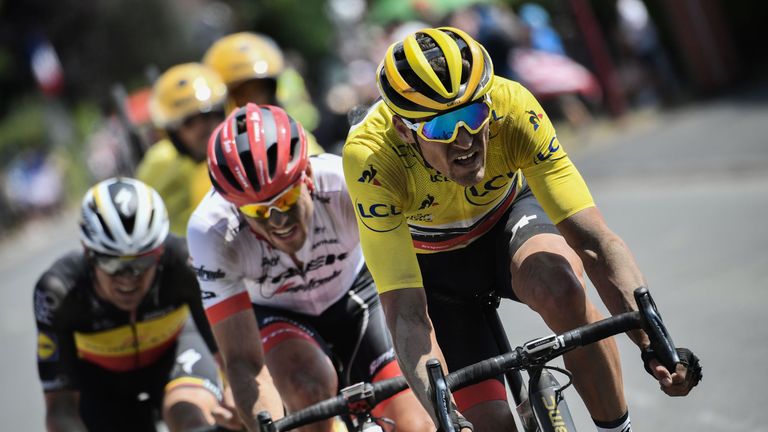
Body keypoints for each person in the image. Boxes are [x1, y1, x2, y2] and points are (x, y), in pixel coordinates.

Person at [342, 27, 702, 432]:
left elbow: (595, 244)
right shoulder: (370, 160)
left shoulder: (512, 107)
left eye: (473, 115)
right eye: (441, 129)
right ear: (406, 132)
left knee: (562, 288)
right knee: (489, 424)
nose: (464, 140)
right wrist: (446, 417)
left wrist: (654, 343)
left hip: (507, 222)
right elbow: (405, 311)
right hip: (436, 271)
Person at [186, 103, 433, 432]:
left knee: (416, 426)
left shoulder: (346, 183)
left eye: (285, 200)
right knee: (306, 388)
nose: (277, 222)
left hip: (357, 295)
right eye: (259, 212)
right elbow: (244, 362)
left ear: (308, 177)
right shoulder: (212, 231)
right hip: (279, 315)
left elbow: (412, 297)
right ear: (235, 208)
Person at [34, 178, 235, 432]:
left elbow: (232, 357)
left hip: (173, 354)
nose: (128, 278)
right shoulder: (57, 292)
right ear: (88, 253)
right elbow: (60, 410)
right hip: (102, 381)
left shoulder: (184, 263)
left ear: (160, 252)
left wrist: (236, 399)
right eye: (112, 264)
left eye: (142, 263)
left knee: (189, 418)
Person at [137, 62, 227, 235]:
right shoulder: (158, 166)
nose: (202, 127)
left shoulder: (248, 147)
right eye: (189, 122)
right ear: (173, 133)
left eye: (208, 115)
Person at [203, 32, 324, 155]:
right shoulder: (210, 158)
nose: (253, 103)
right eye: (241, 94)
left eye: (259, 91)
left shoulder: (295, 141)